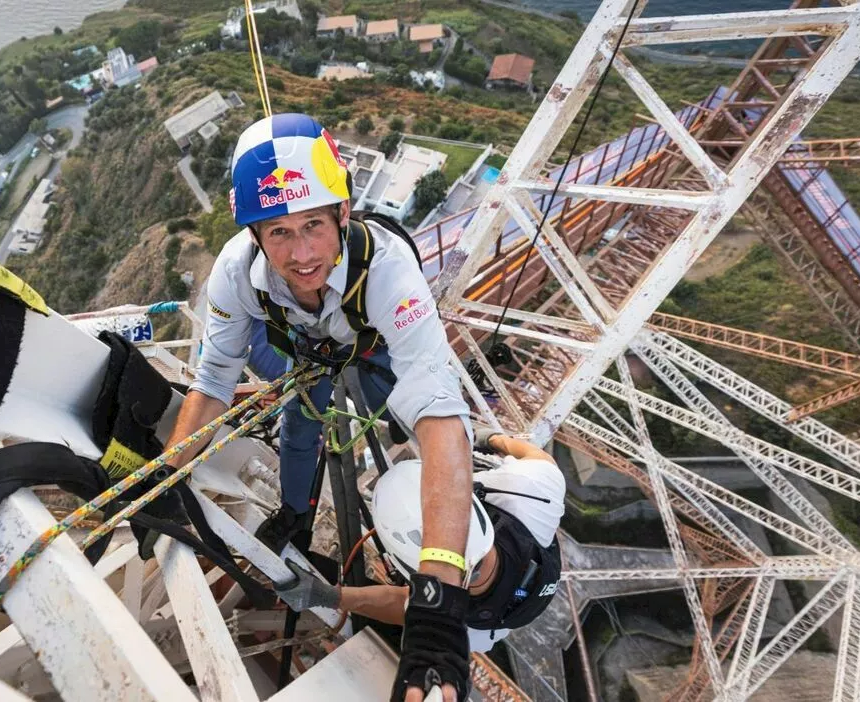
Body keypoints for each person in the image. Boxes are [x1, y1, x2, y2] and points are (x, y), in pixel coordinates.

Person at [158, 112, 478, 702]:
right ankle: (296, 514)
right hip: (306, 349)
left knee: (409, 425)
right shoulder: (235, 273)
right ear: (254, 236)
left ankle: (443, 510)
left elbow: (440, 413)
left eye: (313, 225)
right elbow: (214, 379)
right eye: (278, 232)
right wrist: (169, 474)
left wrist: (438, 602)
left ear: (344, 215)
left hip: (369, 344)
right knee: (301, 425)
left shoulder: (388, 271)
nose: (302, 254)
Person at [275, 433, 566, 661]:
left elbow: (400, 603)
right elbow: (403, 603)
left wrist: (491, 440)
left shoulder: (538, 491)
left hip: (486, 628)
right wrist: (329, 596)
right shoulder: (531, 495)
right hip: (491, 627)